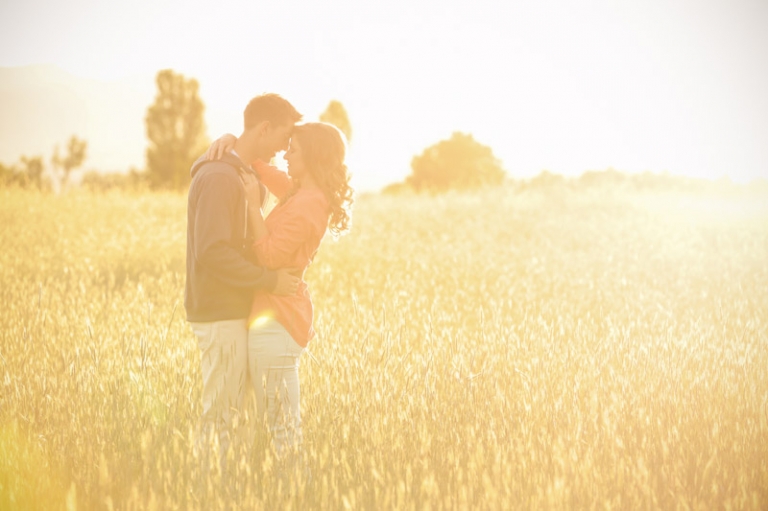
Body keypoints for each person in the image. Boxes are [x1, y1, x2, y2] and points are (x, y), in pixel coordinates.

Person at [206, 122, 354, 477]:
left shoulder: (308, 204)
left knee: (283, 430)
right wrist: (237, 145)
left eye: (294, 150)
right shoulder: (301, 192)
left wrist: (252, 207)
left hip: (277, 321)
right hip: (273, 317)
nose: (286, 154)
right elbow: (267, 173)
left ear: (313, 157)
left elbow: (270, 258)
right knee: (277, 425)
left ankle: (298, 495)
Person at [185, 93, 303, 474]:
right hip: (219, 311)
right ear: (265, 128)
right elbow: (213, 251)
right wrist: (268, 278)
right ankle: (208, 495)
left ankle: (231, 491)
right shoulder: (221, 176)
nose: (287, 148)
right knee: (220, 416)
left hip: (237, 308)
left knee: (235, 416)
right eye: (285, 137)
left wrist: (230, 144)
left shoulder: (242, 170)